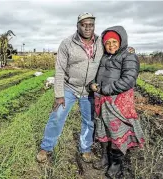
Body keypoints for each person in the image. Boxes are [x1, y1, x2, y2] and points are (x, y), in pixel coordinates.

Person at [36, 12, 104, 163]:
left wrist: (128, 51)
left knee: (89, 121)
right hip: (69, 87)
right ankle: (46, 147)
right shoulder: (67, 43)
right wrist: (59, 94)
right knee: (57, 116)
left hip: (89, 90)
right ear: (78, 25)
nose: (87, 28)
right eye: (84, 24)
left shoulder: (101, 42)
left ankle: (85, 149)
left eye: (91, 25)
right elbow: (59, 69)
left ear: (94, 26)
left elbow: (115, 49)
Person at [87, 26, 145, 178]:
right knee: (102, 130)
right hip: (101, 100)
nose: (111, 45)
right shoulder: (104, 57)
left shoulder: (129, 56)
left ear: (121, 42)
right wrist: (92, 84)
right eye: (107, 42)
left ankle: (116, 164)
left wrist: (104, 89)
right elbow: (96, 73)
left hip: (116, 102)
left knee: (116, 132)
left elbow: (128, 80)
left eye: (114, 41)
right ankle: (105, 158)